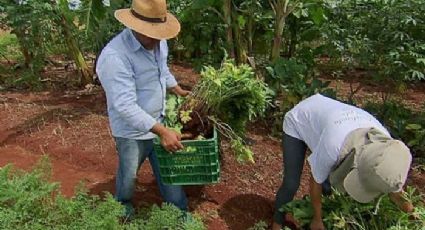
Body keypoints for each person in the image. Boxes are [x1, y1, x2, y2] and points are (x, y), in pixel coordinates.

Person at [96, 0, 190, 217]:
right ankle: (123, 204)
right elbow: (125, 106)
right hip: (130, 132)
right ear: (135, 27)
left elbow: (162, 69)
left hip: (159, 120)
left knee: (169, 172)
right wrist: (163, 131)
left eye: (159, 34)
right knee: (129, 176)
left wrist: (176, 88)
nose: (157, 39)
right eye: (151, 34)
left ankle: (179, 211)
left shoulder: (158, 41)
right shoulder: (115, 57)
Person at [272, 94, 414, 230]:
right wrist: (317, 219)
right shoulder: (333, 146)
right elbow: (316, 181)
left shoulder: (386, 149)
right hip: (300, 119)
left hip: (329, 121)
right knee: (291, 183)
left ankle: (309, 206)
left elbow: (394, 188)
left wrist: (414, 217)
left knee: (330, 186)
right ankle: (276, 224)